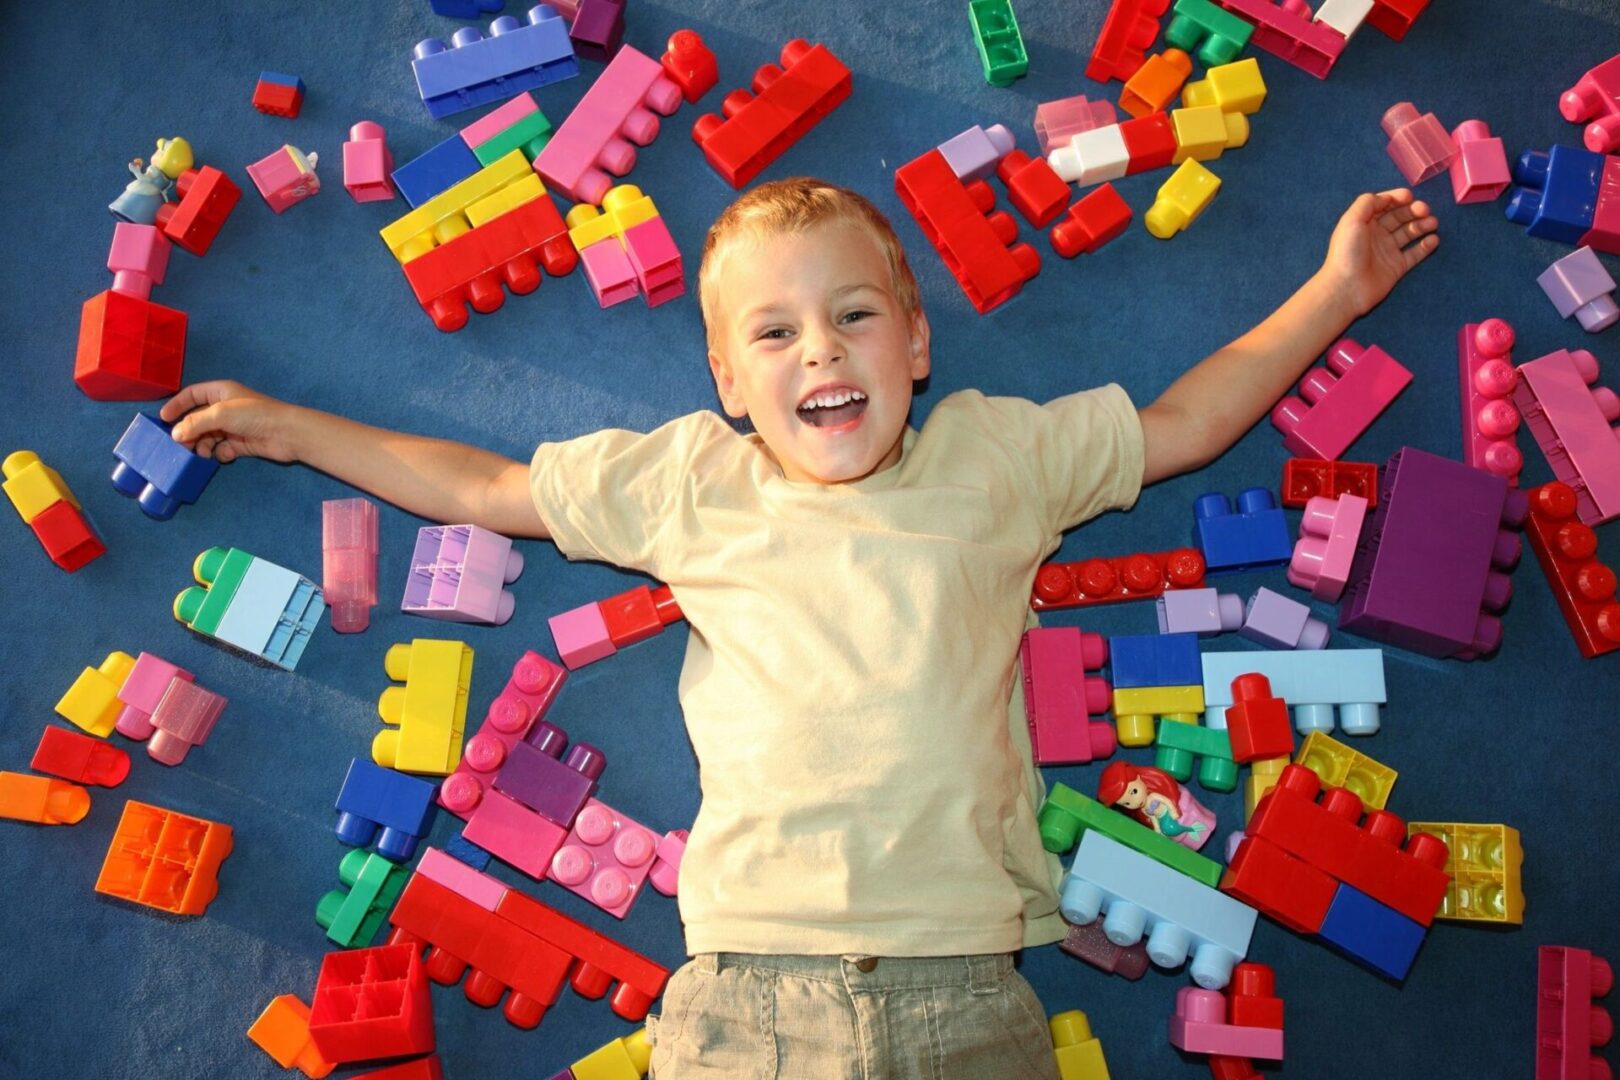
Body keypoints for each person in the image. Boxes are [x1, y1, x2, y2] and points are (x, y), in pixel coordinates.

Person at [161, 177, 1437, 1079]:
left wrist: (1336, 288)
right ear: (728, 382)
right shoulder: (691, 482)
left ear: (918, 341)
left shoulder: (998, 455)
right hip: (745, 996)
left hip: (969, 992)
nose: (820, 349)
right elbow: (487, 489)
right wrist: (294, 430)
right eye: (774, 332)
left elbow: (1185, 426)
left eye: (856, 314)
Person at [1096, 760, 1215, 850]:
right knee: (1173, 834)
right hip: (1165, 822)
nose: (1135, 802)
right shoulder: (1142, 811)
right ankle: (1192, 843)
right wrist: (1157, 830)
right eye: (1127, 803)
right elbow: (1153, 819)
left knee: (1182, 824)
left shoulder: (1154, 794)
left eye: (1134, 792)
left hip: (1174, 810)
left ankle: (1203, 827)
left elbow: (1166, 800)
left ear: (1138, 777)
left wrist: (1173, 810)